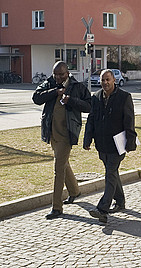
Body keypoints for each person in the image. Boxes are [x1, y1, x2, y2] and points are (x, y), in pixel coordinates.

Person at [32, 61, 91, 220]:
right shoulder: (50, 83)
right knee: (63, 163)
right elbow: (36, 97)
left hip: (67, 133)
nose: (58, 77)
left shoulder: (77, 87)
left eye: (61, 75)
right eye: (55, 74)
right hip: (52, 132)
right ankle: (74, 191)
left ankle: (57, 207)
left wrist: (70, 100)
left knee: (58, 169)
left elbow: (89, 106)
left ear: (68, 73)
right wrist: (55, 92)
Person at [84, 69, 137, 223]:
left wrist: (130, 142)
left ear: (114, 80)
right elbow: (91, 119)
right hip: (102, 144)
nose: (105, 83)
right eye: (103, 80)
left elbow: (129, 120)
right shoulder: (96, 97)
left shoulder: (124, 97)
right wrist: (88, 139)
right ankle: (120, 201)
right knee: (112, 173)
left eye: (108, 79)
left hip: (118, 144)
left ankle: (102, 209)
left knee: (110, 173)